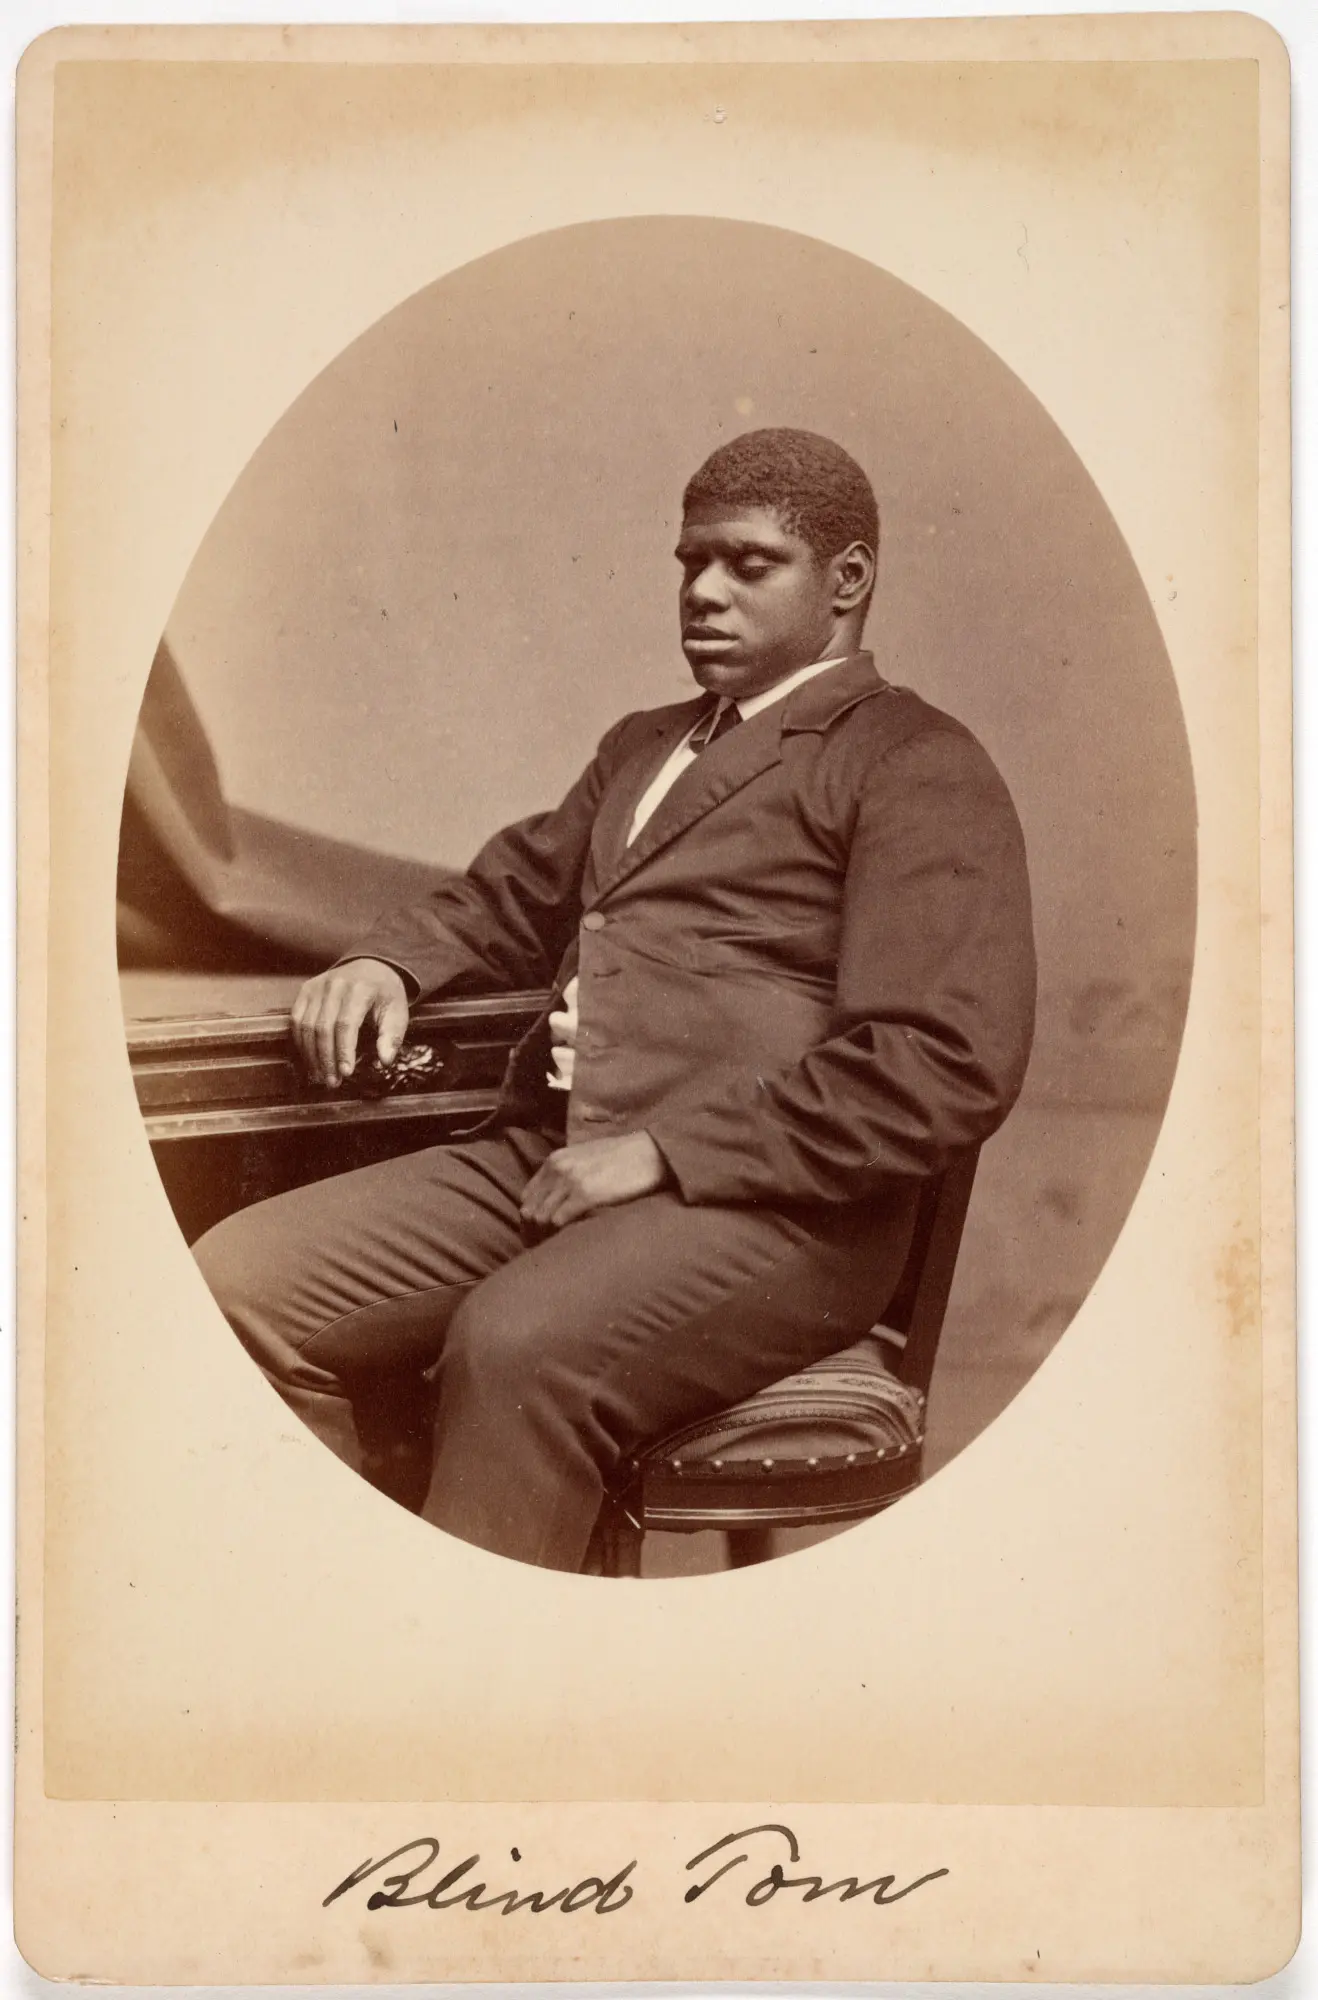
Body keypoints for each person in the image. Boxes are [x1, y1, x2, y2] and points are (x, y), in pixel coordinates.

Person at [194, 427, 1037, 1573]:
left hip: (779, 1211)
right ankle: (359, 1609)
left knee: (515, 1343)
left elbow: (942, 1061)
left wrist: (663, 1152)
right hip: (558, 1150)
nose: (703, 591)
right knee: (237, 1287)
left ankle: (486, 1670)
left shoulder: (911, 760)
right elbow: (511, 895)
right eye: (691, 560)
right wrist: (389, 963)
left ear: (846, 580)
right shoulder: (643, 747)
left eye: (748, 563)